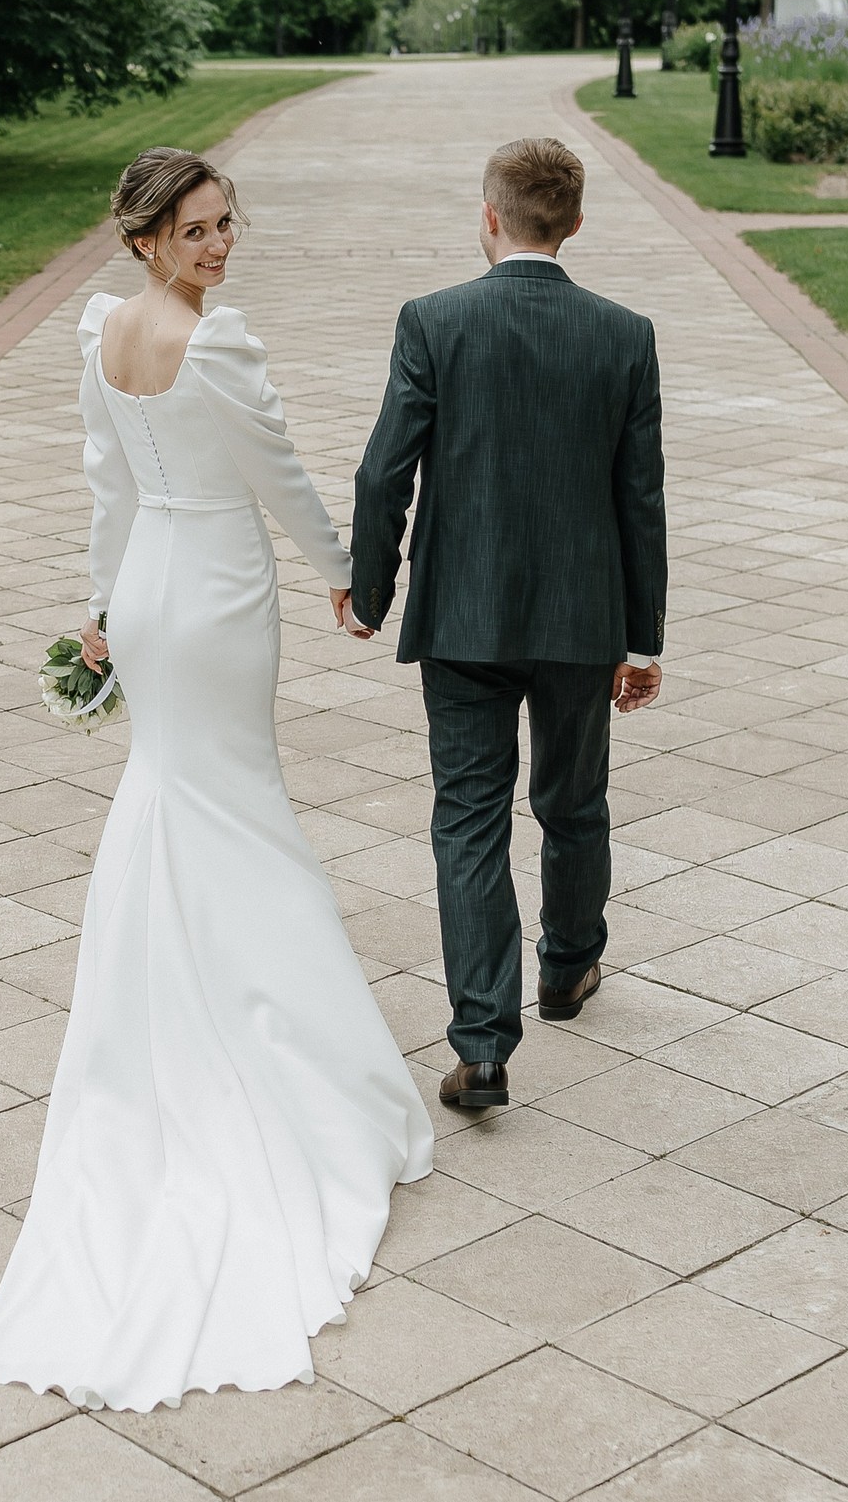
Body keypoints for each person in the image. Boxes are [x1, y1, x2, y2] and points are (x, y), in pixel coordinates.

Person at [0, 148, 433, 1412]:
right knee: (241, 805)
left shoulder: (102, 334)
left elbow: (109, 488)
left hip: (158, 593)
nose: (223, 245)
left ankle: (172, 1010)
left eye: (228, 224)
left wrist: (105, 606)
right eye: (199, 229)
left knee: (176, 794)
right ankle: (282, 1053)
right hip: (219, 593)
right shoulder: (210, 346)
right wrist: (345, 569)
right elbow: (275, 473)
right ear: (147, 240)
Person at [348, 137, 668, 1112]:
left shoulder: (434, 322)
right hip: (580, 618)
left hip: (463, 618)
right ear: (574, 224)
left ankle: (482, 1043)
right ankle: (568, 967)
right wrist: (642, 636)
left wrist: (368, 593)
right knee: (572, 801)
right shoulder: (623, 334)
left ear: (487, 217)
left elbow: (381, 472)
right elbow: (639, 498)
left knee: (469, 820)